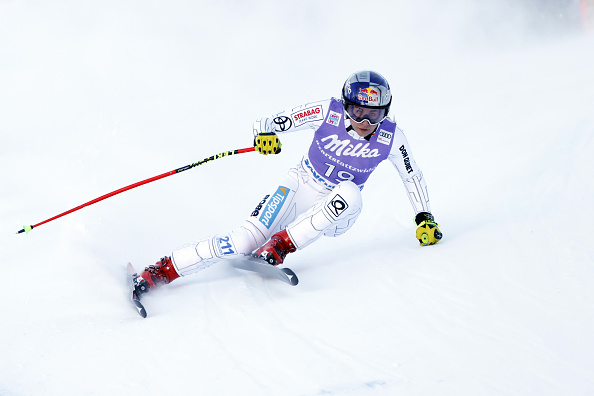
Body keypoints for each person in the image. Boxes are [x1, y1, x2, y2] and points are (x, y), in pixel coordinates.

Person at [133, 70, 442, 294]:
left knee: (349, 192)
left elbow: (411, 175)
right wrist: (265, 136)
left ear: (384, 114)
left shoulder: (392, 137)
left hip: (336, 208)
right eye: (358, 111)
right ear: (346, 105)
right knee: (242, 241)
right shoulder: (327, 111)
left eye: (373, 115)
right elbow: (267, 123)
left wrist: (424, 217)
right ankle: (160, 271)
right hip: (299, 183)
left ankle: (279, 246)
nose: (364, 122)